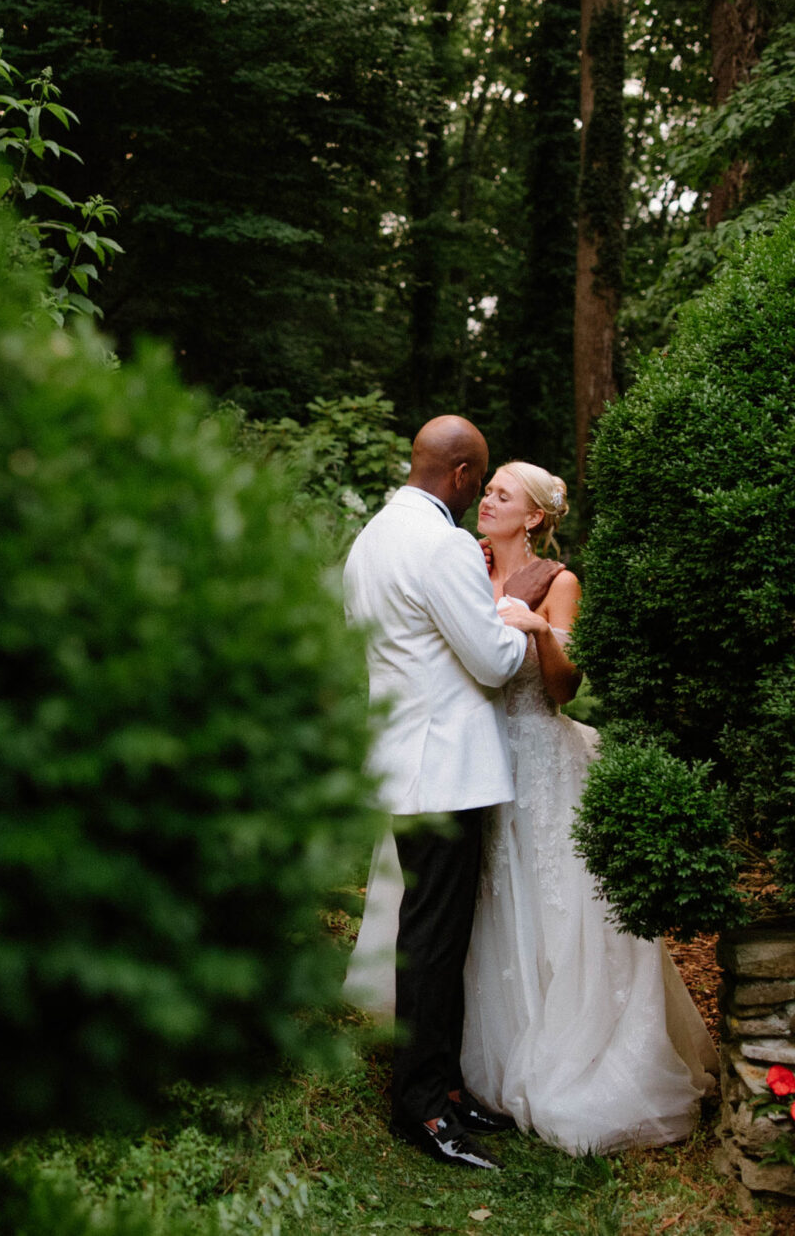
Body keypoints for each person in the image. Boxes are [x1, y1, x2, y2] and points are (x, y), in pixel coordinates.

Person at [349, 460, 718, 1159]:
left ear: (537, 518)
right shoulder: (458, 560)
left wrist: (541, 632)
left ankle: (542, 1059)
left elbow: (564, 690)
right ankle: (460, 1075)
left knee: (546, 909)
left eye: (502, 495)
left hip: (532, 758)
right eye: (485, 490)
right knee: (475, 914)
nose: (486, 500)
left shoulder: (557, 581)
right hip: (464, 763)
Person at [340, 416, 542, 1171]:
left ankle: (444, 1087)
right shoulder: (444, 544)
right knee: (433, 939)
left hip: (402, 759)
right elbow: (491, 662)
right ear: (460, 477)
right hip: (447, 768)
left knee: (433, 932)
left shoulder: (371, 539)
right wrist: (521, 624)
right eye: (478, 480)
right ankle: (421, 1107)